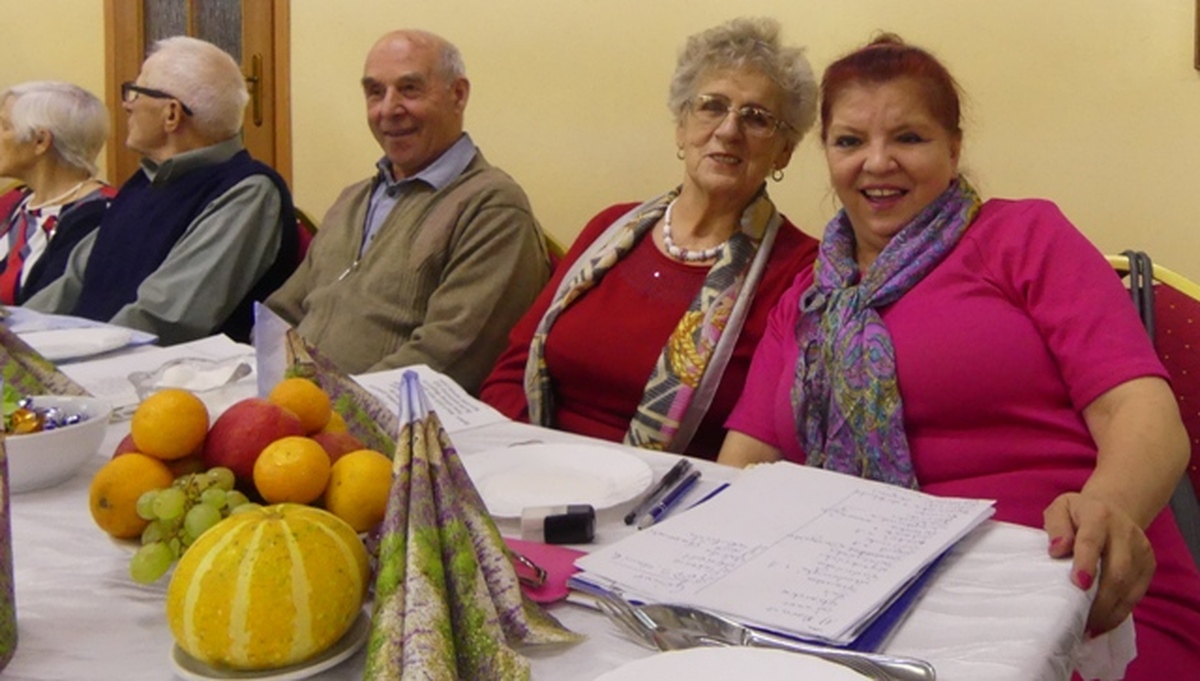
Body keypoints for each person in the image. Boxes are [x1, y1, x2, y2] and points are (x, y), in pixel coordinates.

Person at [717, 35, 1200, 678]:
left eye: (909, 138)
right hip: (860, 605)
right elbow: (746, 467)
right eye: (850, 140)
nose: (877, 162)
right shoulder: (806, 298)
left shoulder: (1024, 237)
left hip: (1070, 590)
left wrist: (1109, 506)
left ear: (953, 146)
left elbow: (1140, 411)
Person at [480, 17, 820, 459]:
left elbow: (771, 434)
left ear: (784, 151)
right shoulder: (610, 227)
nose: (728, 130)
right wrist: (524, 461)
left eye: (756, 118)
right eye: (712, 106)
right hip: (531, 468)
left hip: (673, 491)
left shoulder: (800, 271)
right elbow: (512, 369)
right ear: (682, 127)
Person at [265, 29, 549, 393]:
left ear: (458, 95)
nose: (388, 110)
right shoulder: (353, 200)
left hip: (376, 420)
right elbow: (281, 313)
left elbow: (449, 357)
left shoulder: (493, 208)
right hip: (293, 405)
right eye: (375, 92)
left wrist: (329, 404)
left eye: (410, 89)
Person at [26, 37, 297, 345]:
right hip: (93, 357)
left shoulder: (248, 192)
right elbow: (75, 279)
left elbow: (165, 319)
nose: (127, 104)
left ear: (171, 114)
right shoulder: (146, 180)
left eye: (136, 92)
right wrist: (16, 339)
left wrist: (74, 356)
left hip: (155, 368)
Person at [0, 82, 115, 304]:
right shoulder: (15, 200)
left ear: (41, 141)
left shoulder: (99, 215)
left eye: (5, 126)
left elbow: (49, 307)